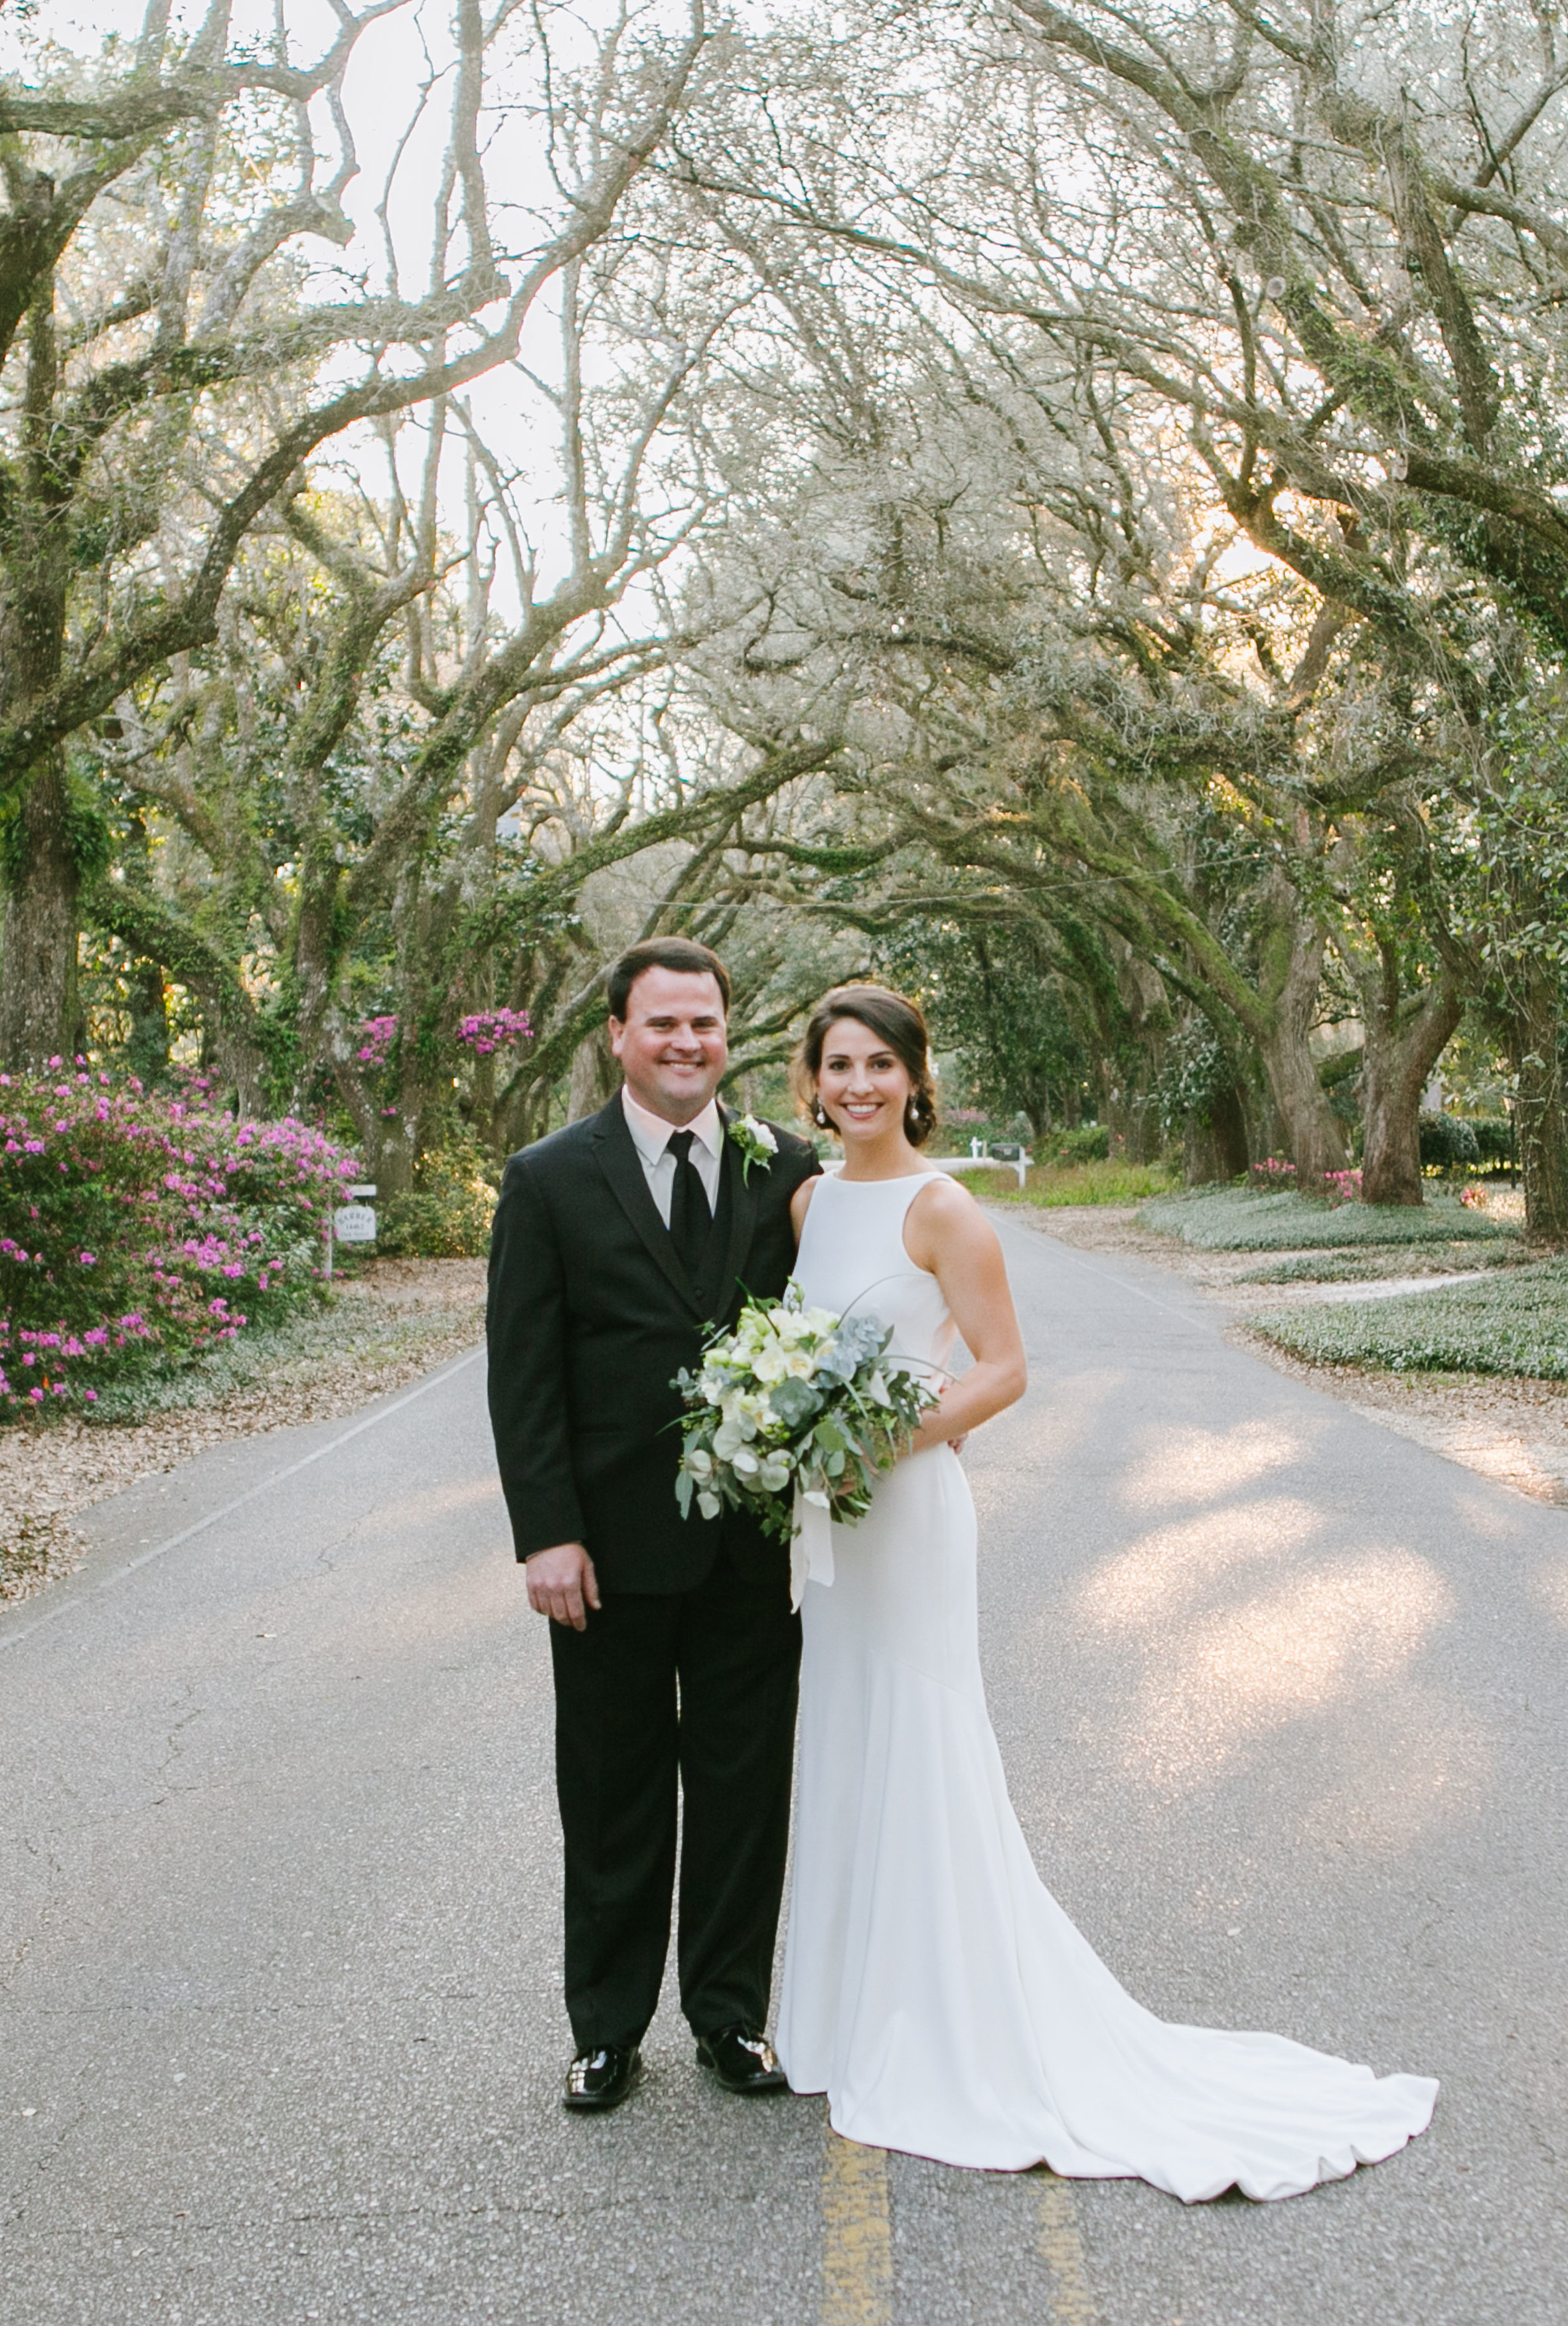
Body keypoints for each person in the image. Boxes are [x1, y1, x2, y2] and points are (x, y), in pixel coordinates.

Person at [777, 983, 1438, 2197]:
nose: (859, 1085)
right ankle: (841, 2013)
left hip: (905, 1512)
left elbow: (1005, 1370)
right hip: (832, 1533)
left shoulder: (944, 1209)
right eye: (838, 1065)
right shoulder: (812, 1202)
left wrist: (880, 1438)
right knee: (845, 1734)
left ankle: (949, 2022)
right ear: (810, 1081)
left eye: (881, 1064)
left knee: (921, 1736)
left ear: (916, 1076)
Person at [486, 939, 820, 2113]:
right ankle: (605, 2028)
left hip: (753, 1548)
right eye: (664, 1025)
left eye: (707, 1026)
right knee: (614, 1789)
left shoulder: (789, 1167)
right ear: (617, 1037)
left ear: (731, 1037)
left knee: (743, 1787)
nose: (687, 1044)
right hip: (606, 1553)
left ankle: (731, 2016)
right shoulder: (547, 1178)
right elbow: (522, 1373)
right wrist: (546, 1532)